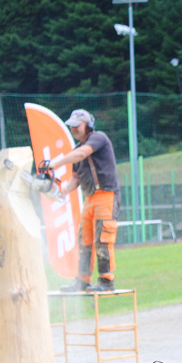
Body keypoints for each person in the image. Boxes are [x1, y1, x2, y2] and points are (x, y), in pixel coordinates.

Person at [42, 109, 120, 292]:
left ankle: (107, 281)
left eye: (77, 125)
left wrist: (53, 164)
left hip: (107, 195)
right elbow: (75, 178)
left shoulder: (98, 138)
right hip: (90, 198)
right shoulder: (76, 150)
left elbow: (82, 154)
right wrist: (62, 191)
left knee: (103, 238)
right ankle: (83, 280)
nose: (74, 129)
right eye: (72, 126)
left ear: (88, 125)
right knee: (84, 240)